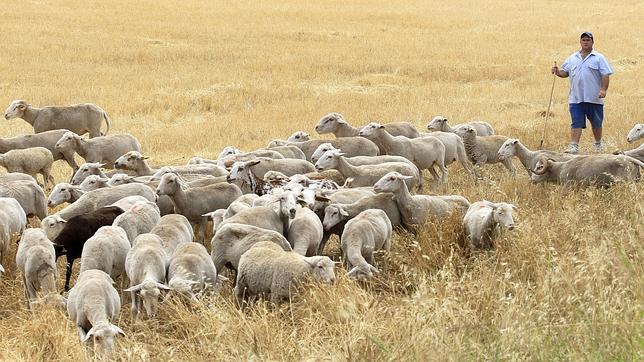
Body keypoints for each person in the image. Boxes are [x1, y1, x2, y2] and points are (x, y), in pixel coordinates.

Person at [551, 32, 613, 154]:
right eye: (583, 40)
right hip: (576, 98)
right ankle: (574, 146)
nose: (585, 42)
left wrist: (603, 90)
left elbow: (605, 74)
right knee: (576, 121)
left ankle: (598, 144)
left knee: (596, 122)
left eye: (588, 40)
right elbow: (565, 72)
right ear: (580, 42)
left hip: (594, 97)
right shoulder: (573, 58)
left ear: (592, 42)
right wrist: (558, 72)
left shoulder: (599, 58)